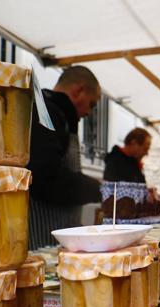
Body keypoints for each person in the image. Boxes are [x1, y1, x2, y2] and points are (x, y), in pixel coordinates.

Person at [27, 66, 102, 249]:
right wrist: (100, 189)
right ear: (78, 91)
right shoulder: (46, 114)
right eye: (91, 104)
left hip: (57, 238)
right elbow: (45, 177)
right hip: (42, 242)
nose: (88, 113)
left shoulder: (61, 115)